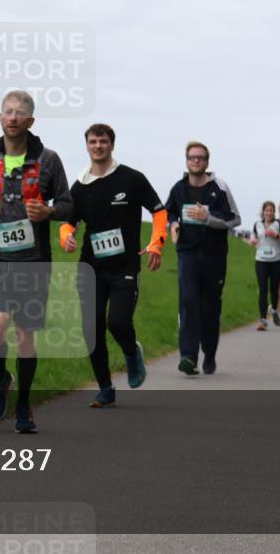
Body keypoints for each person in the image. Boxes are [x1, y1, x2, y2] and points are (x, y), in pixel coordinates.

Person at [0, 90, 72, 433]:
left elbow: (68, 205)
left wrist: (49, 211)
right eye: (7, 112)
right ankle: (2, 378)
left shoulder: (50, 160)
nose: (13, 118)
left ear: (30, 121)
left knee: (25, 336)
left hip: (34, 261)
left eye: (20, 113)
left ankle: (25, 406)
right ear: (0, 117)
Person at [59, 124, 167, 407]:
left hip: (124, 266)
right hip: (90, 267)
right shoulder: (80, 185)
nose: (98, 146)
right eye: (93, 141)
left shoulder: (131, 179)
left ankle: (132, 354)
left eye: (103, 141)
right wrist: (65, 237)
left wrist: (157, 243)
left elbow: (158, 210)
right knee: (91, 329)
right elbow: (70, 221)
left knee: (118, 322)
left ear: (111, 145)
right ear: (86, 146)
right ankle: (105, 387)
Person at [165, 141, 241, 375]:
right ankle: (188, 357)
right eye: (192, 157)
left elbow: (234, 219)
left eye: (200, 158)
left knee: (209, 308)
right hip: (187, 253)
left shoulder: (219, 187)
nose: (196, 161)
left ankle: (209, 353)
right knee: (188, 302)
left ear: (207, 162)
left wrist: (207, 216)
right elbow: (169, 212)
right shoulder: (178, 188)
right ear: (186, 161)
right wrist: (173, 224)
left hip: (214, 256)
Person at [251, 201, 280, 331]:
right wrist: (253, 240)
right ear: (263, 212)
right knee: (263, 289)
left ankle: (274, 310)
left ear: (274, 212)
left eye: (271, 210)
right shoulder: (257, 224)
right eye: (267, 210)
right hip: (261, 260)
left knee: (274, 290)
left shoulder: (279, 224)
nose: (269, 213)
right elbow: (254, 235)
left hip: (276, 261)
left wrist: (279, 236)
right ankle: (263, 320)